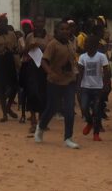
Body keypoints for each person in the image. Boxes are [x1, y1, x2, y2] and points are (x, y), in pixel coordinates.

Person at [35, 20, 80, 149]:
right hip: (55, 82)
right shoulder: (53, 45)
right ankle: (41, 127)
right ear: (57, 31)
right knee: (52, 108)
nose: (65, 31)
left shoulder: (71, 43)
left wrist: (75, 73)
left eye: (67, 29)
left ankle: (68, 138)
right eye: (62, 29)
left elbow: (72, 61)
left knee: (69, 109)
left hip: (69, 81)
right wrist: (50, 73)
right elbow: (43, 61)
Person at [0, 13, 21, 122]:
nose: (4, 24)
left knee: (14, 87)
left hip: (10, 61)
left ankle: (8, 107)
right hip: (0, 62)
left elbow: (16, 49)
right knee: (1, 88)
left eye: (5, 22)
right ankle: (4, 113)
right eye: (1, 22)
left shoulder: (12, 35)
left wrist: (11, 51)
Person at [78, 35, 110, 141]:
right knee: (84, 107)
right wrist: (78, 86)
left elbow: (106, 71)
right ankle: (89, 122)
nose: (86, 45)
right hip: (85, 87)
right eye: (85, 43)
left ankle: (96, 133)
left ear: (95, 46)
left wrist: (105, 85)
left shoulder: (101, 56)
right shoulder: (82, 57)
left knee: (96, 110)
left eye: (89, 43)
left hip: (98, 87)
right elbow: (80, 72)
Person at [20, 16, 49, 133]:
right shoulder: (29, 36)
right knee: (32, 93)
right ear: (34, 24)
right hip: (32, 67)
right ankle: (33, 121)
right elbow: (24, 52)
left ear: (44, 23)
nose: (39, 24)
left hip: (44, 67)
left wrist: (43, 48)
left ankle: (41, 121)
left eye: (41, 21)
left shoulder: (49, 38)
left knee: (43, 93)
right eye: (37, 22)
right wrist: (29, 47)